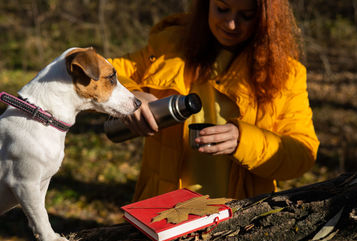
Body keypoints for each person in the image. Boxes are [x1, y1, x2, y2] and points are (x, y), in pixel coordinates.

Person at [108, 0, 320, 201]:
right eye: (221, 8)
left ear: (266, 18)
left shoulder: (285, 74)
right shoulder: (169, 48)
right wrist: (129, 94)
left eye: (246, 16)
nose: (230, 24)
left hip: (237, 225)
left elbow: (303, 153)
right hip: (161, 216)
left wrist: (243, 141)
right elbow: (102, 72)